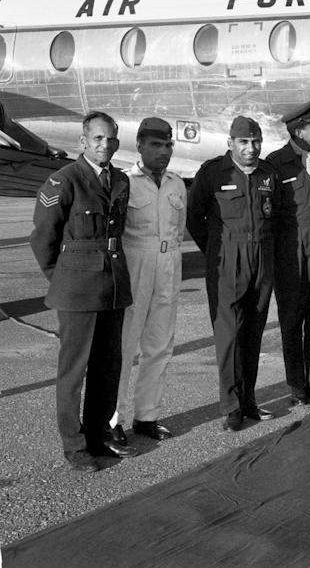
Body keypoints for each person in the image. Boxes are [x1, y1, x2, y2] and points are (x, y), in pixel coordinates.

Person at [30, 111, 137, 472]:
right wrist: (61, 278)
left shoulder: (120, 180)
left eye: (110, 139)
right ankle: (75, 446)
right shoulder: (64, 181)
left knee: (109, 365)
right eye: (97, 139)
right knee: (74, 371)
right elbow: (43, 238)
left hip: (112, 283)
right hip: (77, 286)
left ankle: (99, 434)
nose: (104, 145)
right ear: (83, 142)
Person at [187, 116, 281, 432]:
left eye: (255, 142)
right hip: (227, 258)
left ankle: (249, 400)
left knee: (253, 331)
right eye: (243, 142)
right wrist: (217, 249)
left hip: (261, 258)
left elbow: (277, 217)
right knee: (228, 335)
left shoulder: (269, 174)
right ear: (231, 143)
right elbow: (194, 216)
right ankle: (231, 406)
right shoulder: (213, 173)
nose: (250, 148)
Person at [110, 117, 186, 442]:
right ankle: (112, 420)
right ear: (139, 145)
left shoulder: (177, 183)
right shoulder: (125, 182)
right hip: (135, 262)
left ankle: (146, 417)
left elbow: (179, 229)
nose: (164, 152)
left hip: (168, 262)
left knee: (159, 344)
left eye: (168, 145)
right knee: (125, 345)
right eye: (156, 145)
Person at [265, 99, 310, 407]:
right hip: (291, 242)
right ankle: (296, 384)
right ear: (298, 130)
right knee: (293, 315)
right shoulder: (276, 162)